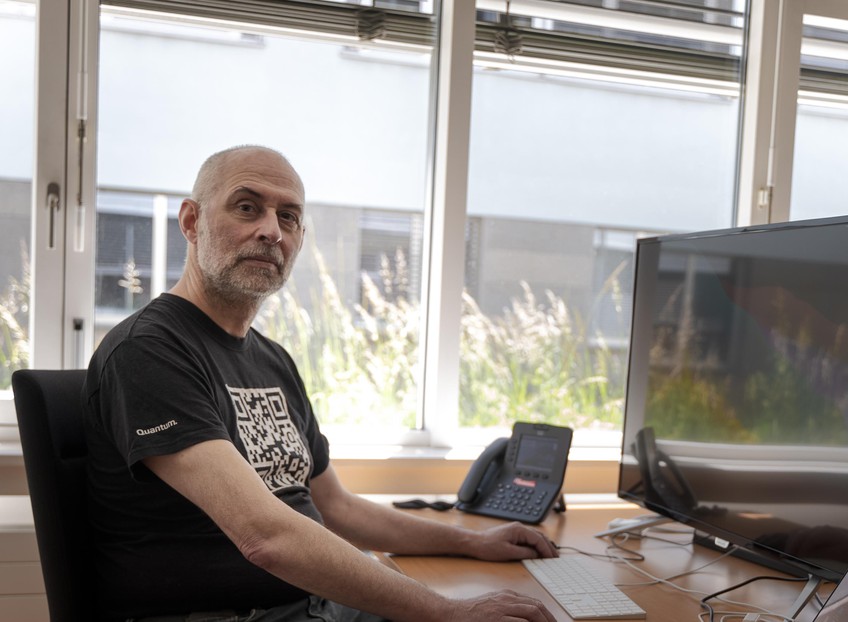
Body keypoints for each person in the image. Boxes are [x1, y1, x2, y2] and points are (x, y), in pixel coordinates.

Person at [82, 145, 558, 622]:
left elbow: (336, 508)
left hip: (311, 604)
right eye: (247, 207)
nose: (271, 230)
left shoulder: (271, 360)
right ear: (191, 221)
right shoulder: (148, 351)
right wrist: (446, 612)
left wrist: (472, 542)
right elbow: (264, 537)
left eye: (288, 218)